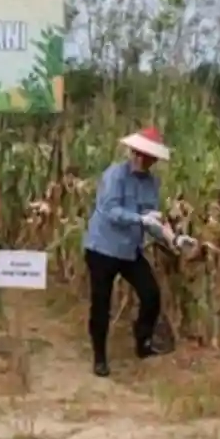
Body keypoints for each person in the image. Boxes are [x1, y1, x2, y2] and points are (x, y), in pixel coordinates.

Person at [83, 127, 184, 378]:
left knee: (151, 295)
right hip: (102, 248)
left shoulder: (151, 183)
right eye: (138, 154)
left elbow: (153, 220)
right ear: (132, 152)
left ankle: (143, 342)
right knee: (101, 303)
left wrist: (174, 238)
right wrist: (141, 219)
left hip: (129, 250)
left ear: (154, 160)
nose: (142, 159)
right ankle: (100, 357)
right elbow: (111, 211)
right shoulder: (114, 175)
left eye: (148, 156)